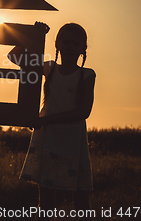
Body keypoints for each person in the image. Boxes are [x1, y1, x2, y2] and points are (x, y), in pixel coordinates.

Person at [10, 23, 96, 220]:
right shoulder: (49, 68)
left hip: (74, 140)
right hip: (47, 138)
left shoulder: (87, 75)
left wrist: (46, 119)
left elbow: (83, 111)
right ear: (57, 44)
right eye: (66, 42)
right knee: (47, 200)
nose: (71, 46)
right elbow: (14, 56)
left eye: (76, 43)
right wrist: (33, 35)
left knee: (81, 200)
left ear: (83, 48)